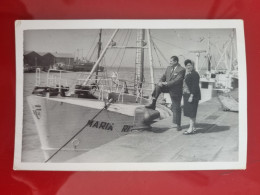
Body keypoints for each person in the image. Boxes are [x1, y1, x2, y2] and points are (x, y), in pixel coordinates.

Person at [146, 56, 185, 131]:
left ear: (176, 61)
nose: (169, 62)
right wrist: (160, 82)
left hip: (176, 90)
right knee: (158, 86)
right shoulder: (168, 68)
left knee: (176, 107)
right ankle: (153, 103)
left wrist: (165, 83)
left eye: (171, 61)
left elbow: (177, 81)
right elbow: (163, 77)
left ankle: (178, 125)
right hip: (167, 87)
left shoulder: (182, 70)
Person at [182, 59, 201, 135]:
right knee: (192, 112)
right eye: (186, 65)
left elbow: (195, 86)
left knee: (191, 113)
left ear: (193, 65)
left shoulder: (195, 74)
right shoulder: (189, 73)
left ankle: (190, 129)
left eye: (189, 65)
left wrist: (191, 96)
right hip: (188, 95)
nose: (188, 66)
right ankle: (193, 127)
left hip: (192, 95)